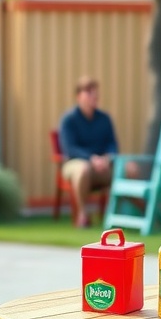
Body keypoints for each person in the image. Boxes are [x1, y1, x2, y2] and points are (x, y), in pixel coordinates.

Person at [59, 76, 129, 228]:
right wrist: (91, 159)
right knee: (83, 169)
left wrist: (107, 158)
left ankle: (125, 214)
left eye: (95, 92)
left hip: (102, 166)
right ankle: (83, 215)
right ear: (79, 96)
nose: (94, 96)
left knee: (130, 168)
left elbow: (112, 143)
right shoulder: (68, 120)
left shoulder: (104, 118)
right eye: (89, 92)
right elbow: (70, 148)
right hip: (76, 164)